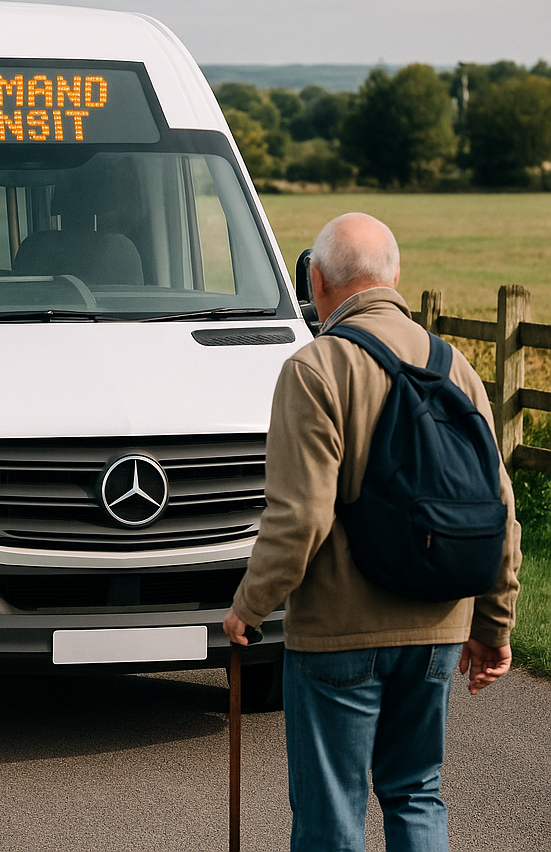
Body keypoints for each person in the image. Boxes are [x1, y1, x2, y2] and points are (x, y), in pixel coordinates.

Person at [222, 212, 521, 852]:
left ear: (319, 281)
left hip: (337, 635)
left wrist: (249, 605)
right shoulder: (457, 368)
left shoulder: (315, 369)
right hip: (438, 628)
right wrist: (493, 626)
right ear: (394, 278)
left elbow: (300, 515)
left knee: (332, 810)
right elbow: (499, 509)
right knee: (416, 791)